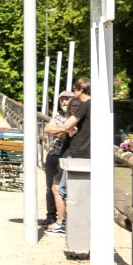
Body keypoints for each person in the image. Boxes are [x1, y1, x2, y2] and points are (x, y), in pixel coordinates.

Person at [43, 78, 92, 235]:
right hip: (78, 153)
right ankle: (63, 222)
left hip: (76, 153)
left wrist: (65, 129)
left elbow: (67, 125)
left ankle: (64, 224)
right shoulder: (93, 105)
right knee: (61, 187)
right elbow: (49, 128)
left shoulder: (84, 106)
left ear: (79, 90)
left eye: (74, 90)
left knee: (62, 189)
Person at [42, 92, 75, 228]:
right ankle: (51, 216)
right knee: (50, 186)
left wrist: (59, 130)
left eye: (67, 99)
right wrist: (64, 130)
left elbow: (72, 132)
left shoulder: (76, 116)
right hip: (54, 151)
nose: (65, 102)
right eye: (62, 99)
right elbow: (47, 129)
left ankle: (65, 220)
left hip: (67, 153)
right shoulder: (59, 114)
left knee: (60, 187)